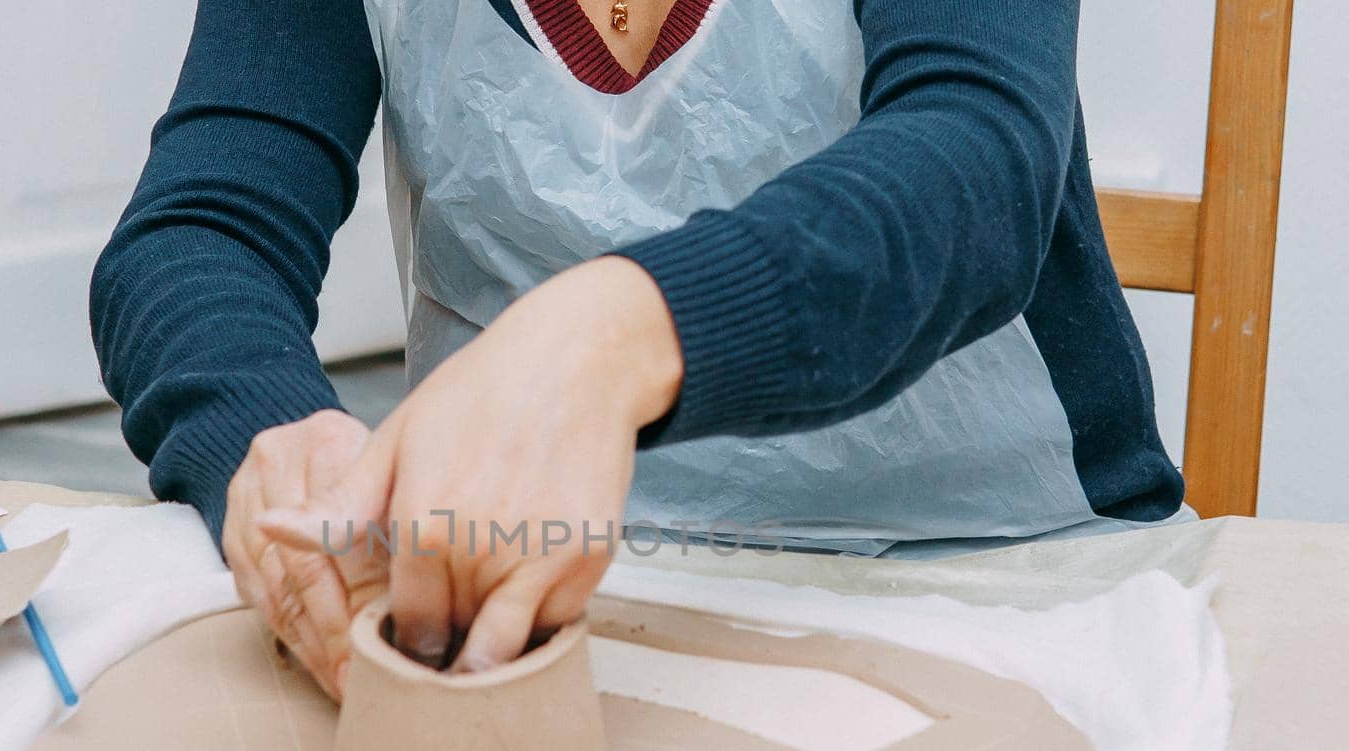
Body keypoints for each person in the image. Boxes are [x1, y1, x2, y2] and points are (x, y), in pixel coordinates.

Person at [91, 0, 1182, 700]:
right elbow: (200, 233)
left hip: (1003, 577)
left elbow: (974, 170)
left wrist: (613, 336)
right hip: (535, 590)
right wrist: (271, 439)